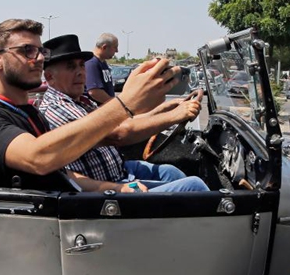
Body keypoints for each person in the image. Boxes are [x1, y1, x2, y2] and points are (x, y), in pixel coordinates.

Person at [0, 19, 183, 193]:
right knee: (194, 187)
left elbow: (64, 174)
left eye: (40, 50)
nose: (39, 58)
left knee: (179, 178)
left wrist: (117, 189)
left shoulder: (31, 113)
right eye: (27, 50)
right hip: (58, 223)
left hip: (79, 204)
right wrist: (125, 102)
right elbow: (38, 157)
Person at [40, 34, 207, 192]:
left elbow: (121, 122)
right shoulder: (57, 108)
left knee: (170, 172)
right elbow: (118, 134)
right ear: (49, 77)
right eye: (71, 67)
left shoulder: (80, 99)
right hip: (103, 191)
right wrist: (174, 116)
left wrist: (161, 110)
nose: (80, 72)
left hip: (119, 170)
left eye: (81, 65)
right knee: (194, 186)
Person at [85, 33, 118, 105]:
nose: (117, 51)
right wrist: (115, 104)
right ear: (104, 47)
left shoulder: (102, 62)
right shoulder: (92, 63)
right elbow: (94, 91)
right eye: (115, 47)